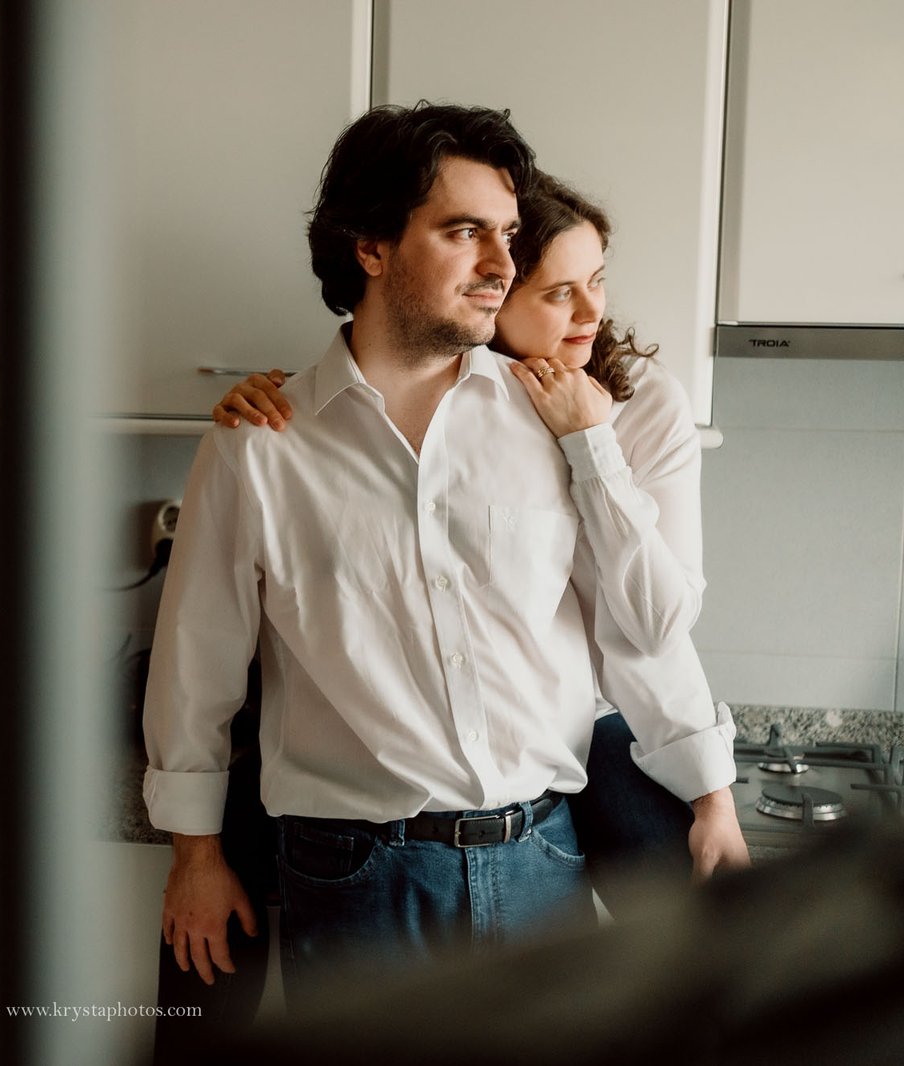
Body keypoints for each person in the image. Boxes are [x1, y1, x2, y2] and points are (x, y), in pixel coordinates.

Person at [141, 103, 749, 1001]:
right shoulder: (259, 443)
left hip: (543, 858)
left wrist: (710, 794)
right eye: (466, 233)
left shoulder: (558, 418)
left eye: (506, 235)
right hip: (352, 879)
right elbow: (197, 667)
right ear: (371, 246)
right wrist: (194, 856)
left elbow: (636, 630)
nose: (503, 264)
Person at [211, 174, 719, 903]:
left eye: (598, 282)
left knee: (696, 957)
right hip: (388, 773)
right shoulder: (404, 409)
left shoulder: (641, 402)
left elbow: (652, 628)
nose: (591, 315)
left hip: (604, 727)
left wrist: (714, 797)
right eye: (555, 294)